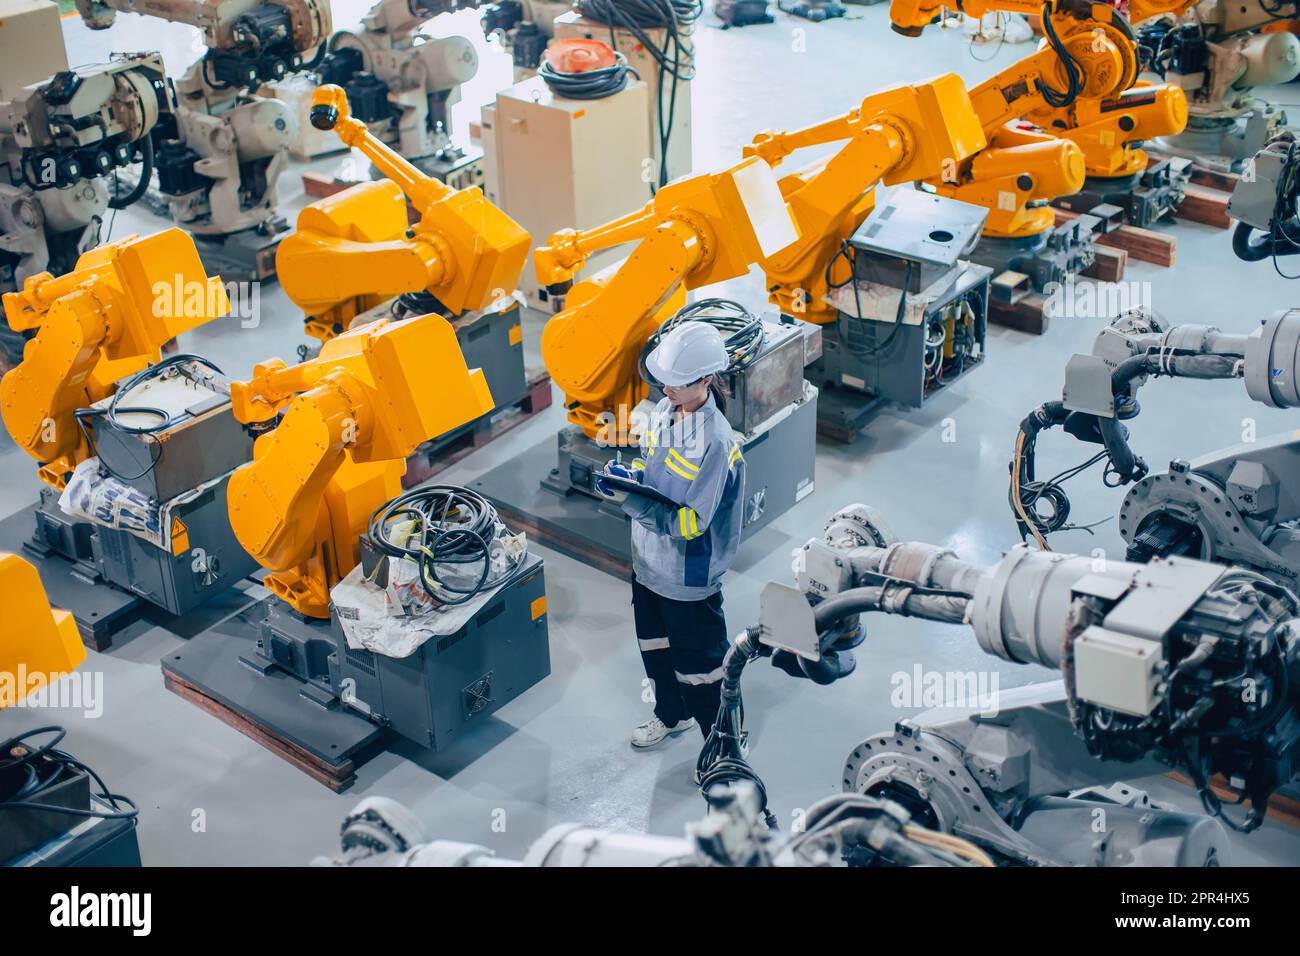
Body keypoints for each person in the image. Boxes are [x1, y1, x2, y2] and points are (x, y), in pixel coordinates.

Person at [595, 322, 746, 750]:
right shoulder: (664, 411)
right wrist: (633, 478)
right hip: (647, 566)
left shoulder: (717, 442)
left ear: (706, 380)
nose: (666, 390)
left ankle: (724, 743)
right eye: (664, 381)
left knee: (703, 670)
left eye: (677, 384)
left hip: (687, 576)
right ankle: (671, 714)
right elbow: (657, 474)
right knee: (656, 650)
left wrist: (631, 501)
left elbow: (690, 525)